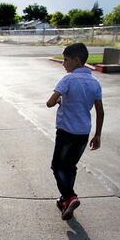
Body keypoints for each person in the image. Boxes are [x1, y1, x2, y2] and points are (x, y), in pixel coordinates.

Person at [46, 42, 104, 220]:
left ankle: (70, 196)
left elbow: (49, 102)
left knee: (57, 166)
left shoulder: (68, 79)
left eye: (65, 60)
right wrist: (98, 135)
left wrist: (58, 100)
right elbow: (100, 111)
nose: (63, 63)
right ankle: (65, 201)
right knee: (70, 166)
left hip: (66, 132)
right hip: (83, 133)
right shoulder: (95, 82)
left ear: (76, 61)